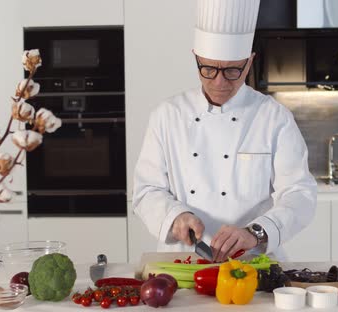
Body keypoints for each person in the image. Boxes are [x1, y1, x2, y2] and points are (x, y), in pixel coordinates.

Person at [132, 0, 317, 262]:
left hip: (252, 263)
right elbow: (147, 190)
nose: (219, 82)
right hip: (184, 262)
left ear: (249, 62)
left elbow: (300, 194)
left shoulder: (274, 118)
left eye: (232, 70)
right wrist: (175, 216)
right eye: (208, 69)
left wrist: (257, 233)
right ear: (196, 58)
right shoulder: (167, 116)